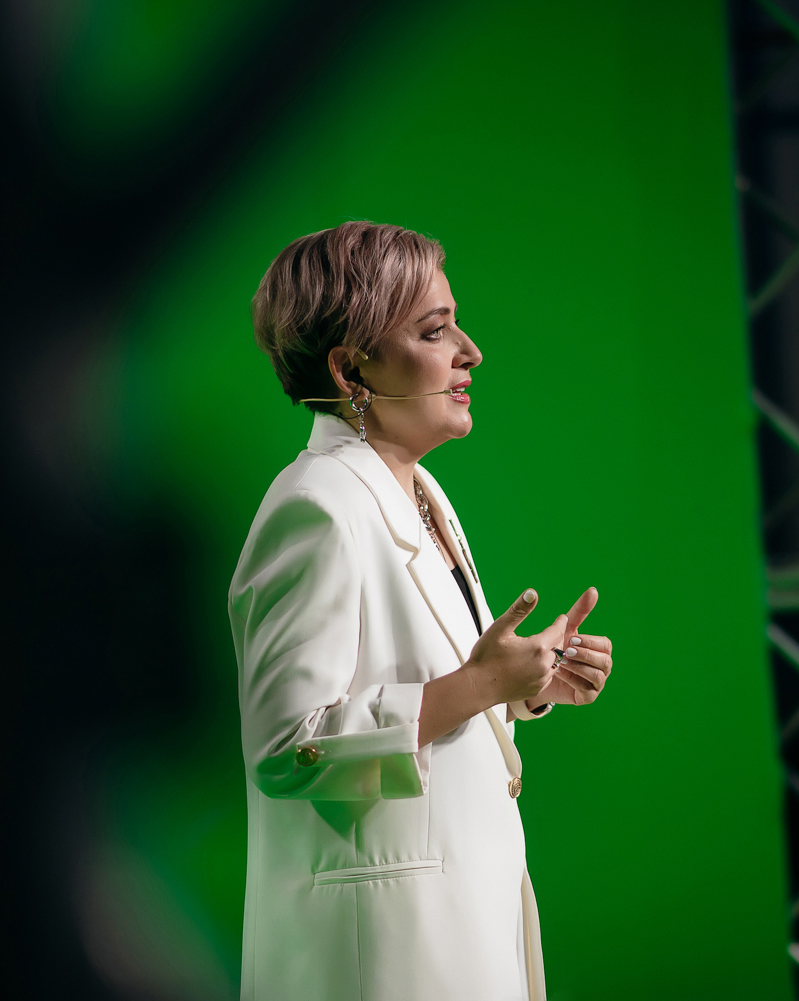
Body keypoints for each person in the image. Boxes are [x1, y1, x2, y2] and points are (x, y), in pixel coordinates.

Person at [228, 221, 613, 1000]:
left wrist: (524, 683)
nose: (471, 352)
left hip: (458, 933)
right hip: (380, 960)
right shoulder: (315, 506)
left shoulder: (421, 493)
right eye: (435, 331)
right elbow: (286, 745)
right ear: (350, 368)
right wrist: (480, 685)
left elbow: (424, 680)